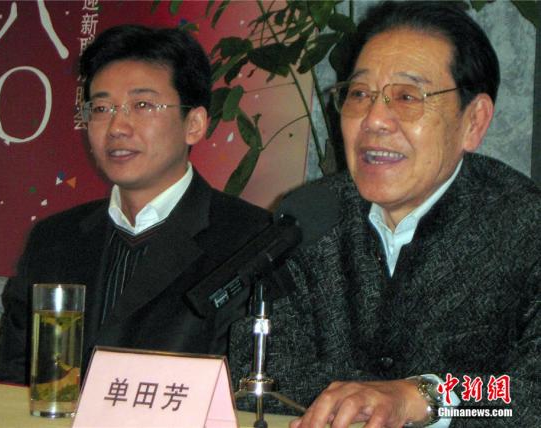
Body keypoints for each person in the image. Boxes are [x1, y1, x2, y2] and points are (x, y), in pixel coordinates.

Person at [230, 2, 540, 427]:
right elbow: (263, 367)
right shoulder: (310, 217)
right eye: (359, 94)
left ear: (473, 121)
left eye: (407, 97)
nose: (374, 119)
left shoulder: (526, 226)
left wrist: (424, 397)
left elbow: (532, 392)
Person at [0, 24, 271, 385]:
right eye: (101, 108)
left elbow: (246, 390)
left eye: (142, 105)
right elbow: (10, 380)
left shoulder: (251, 241)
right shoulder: (53, 240)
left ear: (194, 124)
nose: (117, 127)